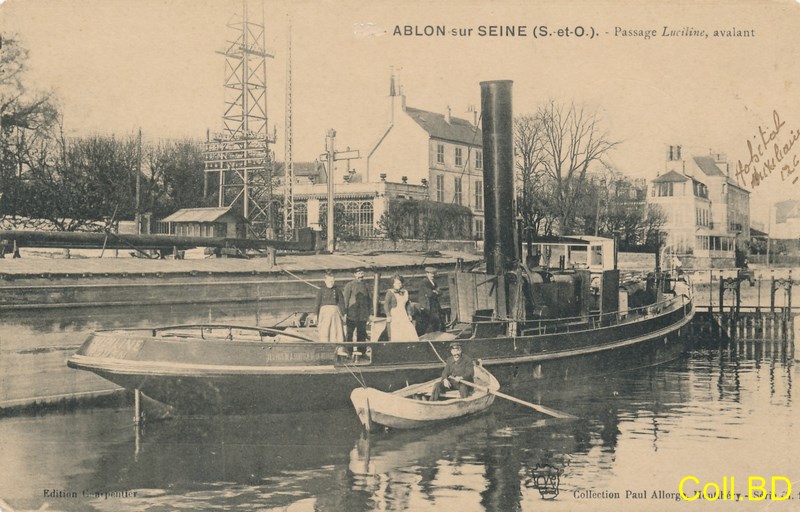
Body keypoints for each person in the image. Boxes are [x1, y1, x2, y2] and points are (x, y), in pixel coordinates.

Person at [383, 275, 419, 341]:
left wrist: (409, 314)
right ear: (393, 284)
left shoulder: (405, 292)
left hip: (403, 313)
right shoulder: (390, 292)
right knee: (397, 331)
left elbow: (407, 304)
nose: (398, 285)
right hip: (395, 314)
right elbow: (386, 305)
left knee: (409, 329)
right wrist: (388, 315)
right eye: (396, 283)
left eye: (400, 283)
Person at [343, 268, 372, 346]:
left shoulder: (366, 285)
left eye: (362, 273)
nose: (361, 276)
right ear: (355, 274)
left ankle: (361, 351)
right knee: (349, 334)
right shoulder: (349, 285)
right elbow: (346, 299)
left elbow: (369, 300)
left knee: (362, 335)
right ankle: (348, 350)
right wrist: (345, 313)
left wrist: (370, 313)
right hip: (351, 315)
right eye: (359, 273)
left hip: (362, 315)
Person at [314, 270, 345, 343]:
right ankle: (325, 344)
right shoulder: (321, 291)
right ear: (325, 281)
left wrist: (344, 314)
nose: (331, 283)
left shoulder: (337, 290)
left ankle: (337, 345)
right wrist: (315, 315)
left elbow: (341, 303)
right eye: (329, 281)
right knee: (325, 330)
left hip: (335, 313)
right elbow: (317, 303)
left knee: (336, 330)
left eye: (332, 281)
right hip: (324, 314)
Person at [419, 266, 444, 334]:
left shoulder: (434, 282)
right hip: (427, 304)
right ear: (427, 274)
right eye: (431, 274)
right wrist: (435, 292)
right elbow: (430, 294)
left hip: (434, 304)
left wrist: (435, 292)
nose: (432, 275)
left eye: (433, 274)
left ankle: (437, 333)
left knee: (437, 319)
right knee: (430, 320)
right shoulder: (424, 282)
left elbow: (440, 292)